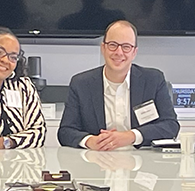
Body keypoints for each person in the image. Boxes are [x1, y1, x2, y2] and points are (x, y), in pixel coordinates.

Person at [57, 19, 179, 150]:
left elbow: (171, 125)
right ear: (103, 48)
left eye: (126, 47)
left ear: (134, 52)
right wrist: (90, 141)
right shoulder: (81, 84)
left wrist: (131, 136)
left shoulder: (153, 80)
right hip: (97, 160)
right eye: (113, 45)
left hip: (143, 162)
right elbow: (65, 132)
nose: (119, 52)